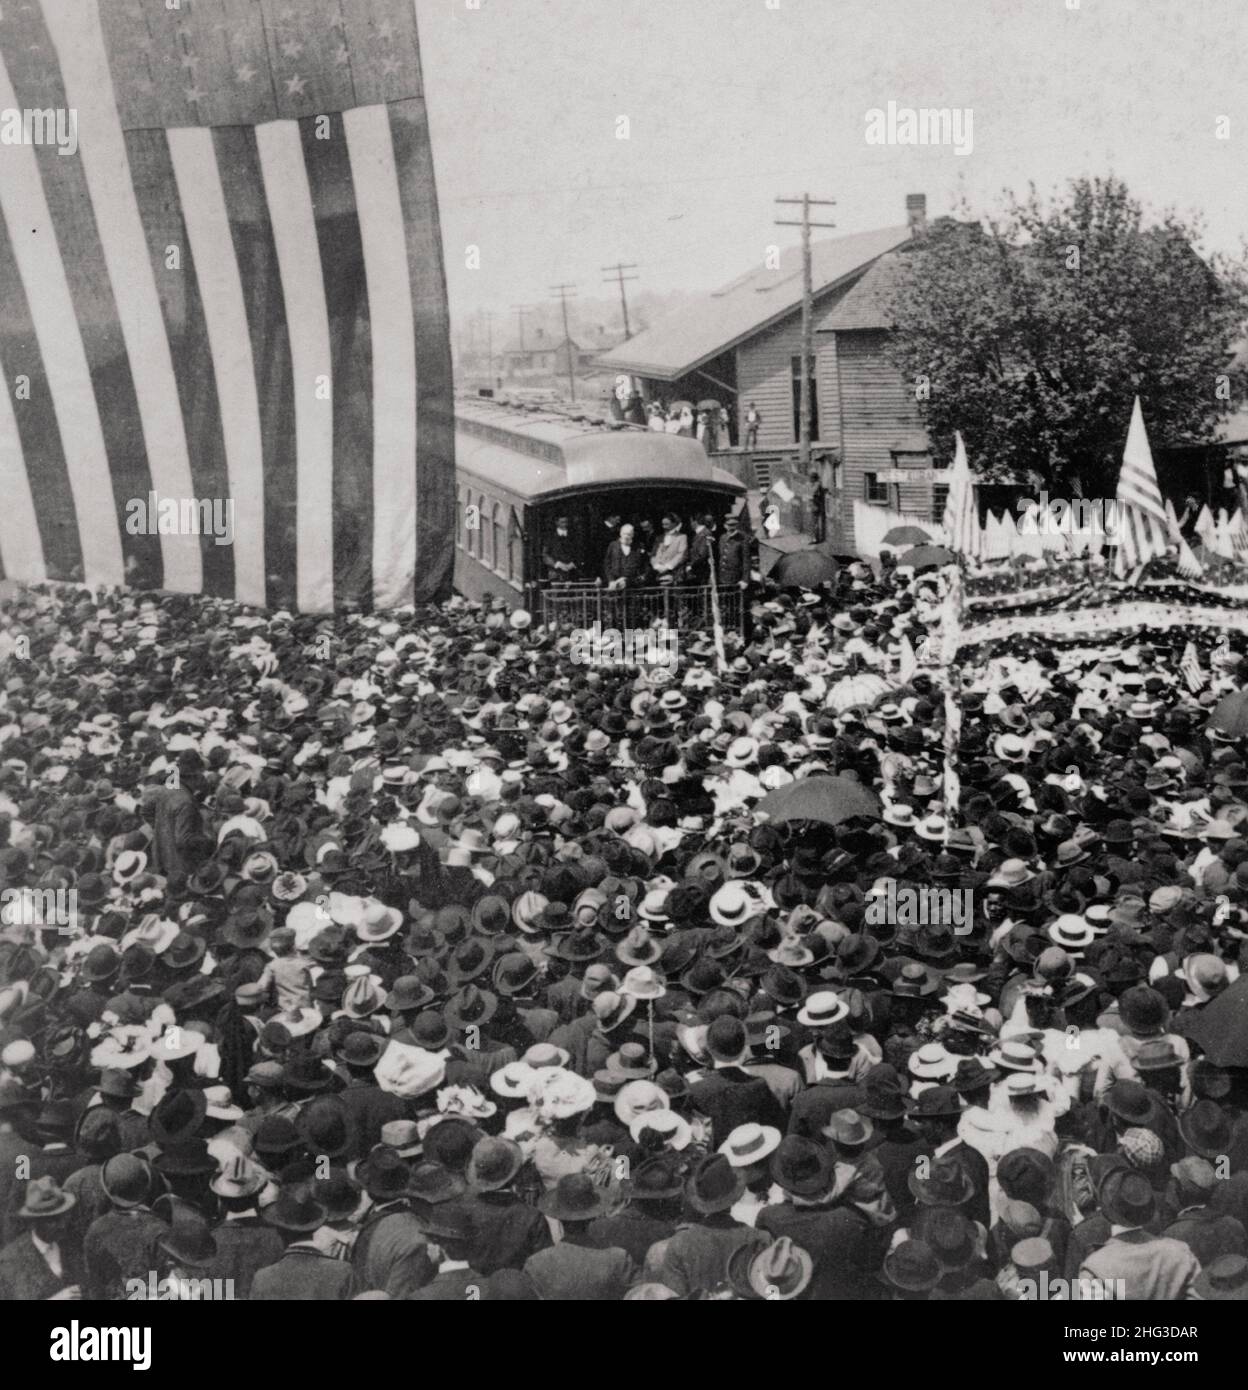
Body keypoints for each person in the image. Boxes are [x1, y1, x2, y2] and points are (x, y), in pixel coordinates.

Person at [603, 523, 647, 589]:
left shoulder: (639, 546)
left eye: (628, 534)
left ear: (633, 535)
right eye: (624, 534)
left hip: (633, 585)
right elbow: (607, 564)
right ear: (620, 533)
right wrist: (611, 580)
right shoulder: (613, 546)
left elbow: (645, 564)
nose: (626, 536)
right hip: (615, 584)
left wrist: (640, 578)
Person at [650, 514, 688, 586]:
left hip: (675, 574)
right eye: (663, 524)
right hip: (659, 574)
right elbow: (653, 554)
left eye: (667, 524)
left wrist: (668, 566)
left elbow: (682, 554)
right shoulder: (659, 538)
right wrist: (657, 566)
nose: (664, 527)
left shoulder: (682, 537)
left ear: (674, 524)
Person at [541, 516, 579, 585]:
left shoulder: (574, 536)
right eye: (562, 522)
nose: (564, 525)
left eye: (566, 522)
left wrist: (573, 563)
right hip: (556, 575)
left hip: (572, 574)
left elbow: (579, 552)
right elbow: (545, 555)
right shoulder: (550, 537)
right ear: (557, 523)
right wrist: (557, 564)